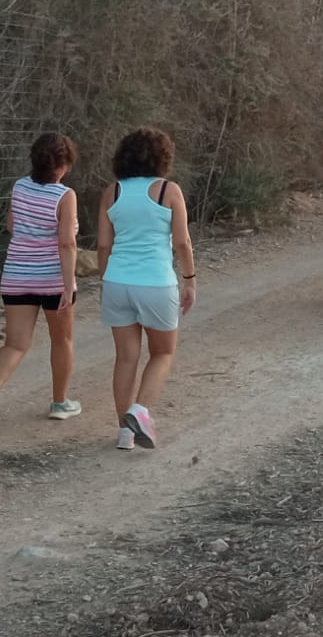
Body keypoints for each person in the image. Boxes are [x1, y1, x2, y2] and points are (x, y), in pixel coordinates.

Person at [0, 134, 81, 437]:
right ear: (62, 165)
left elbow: (11, 225)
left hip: (17, 275)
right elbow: (67, 243)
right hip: (52, 279)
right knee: (63, 341)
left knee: (15, 343)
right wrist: (69, 284)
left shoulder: (20, 186)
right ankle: (60, 403)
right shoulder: (65, 196)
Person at [96, 128, 197, 450]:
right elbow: (181, 241)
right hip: (155, 282)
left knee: (125, 357)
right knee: (163, 352)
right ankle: (140, 411)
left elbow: (102, 245)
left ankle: (124, 432)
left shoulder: (111, 192)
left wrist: (105, 278)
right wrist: (190, 278)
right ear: (162, 158)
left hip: (116, 281)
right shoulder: (169, 190)